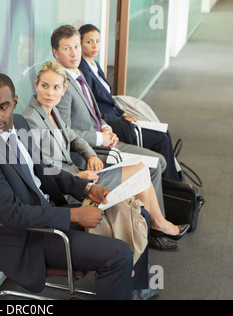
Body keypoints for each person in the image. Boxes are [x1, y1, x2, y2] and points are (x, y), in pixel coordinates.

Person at [0, 73, 139, 300]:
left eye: (3, 107)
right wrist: (74, 215)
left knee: (134, 212)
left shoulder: (20, 123)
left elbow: (44, 168)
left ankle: (134, 289)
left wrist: (84, 189)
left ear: (15, 103)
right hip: (30, 236)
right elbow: (12, 215)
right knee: (118, 254)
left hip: (49, 211)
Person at [22, 61, 188, 254]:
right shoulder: (32, 121)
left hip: (80, 176)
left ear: (63, 89)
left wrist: (91, 155)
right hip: (71, 188)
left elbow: (74, 137)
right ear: (36, 85)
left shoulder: (52, 111)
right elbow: (44, 168)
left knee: (142, 172)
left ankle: (155, 227)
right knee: (140, 172)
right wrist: (79, 177)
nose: (50, 92)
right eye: (45, 86)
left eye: (56, 87)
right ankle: (157, 228)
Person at [50, 25, 186, 250]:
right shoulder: (60, 84)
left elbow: (96, 112)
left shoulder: (79, 73)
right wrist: (98, 137)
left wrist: (106, 128)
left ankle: (153, 221)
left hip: (103, 141)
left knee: (158, 160)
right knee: (152, 167)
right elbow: (66, 132)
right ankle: (153, 229)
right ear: (56, 53)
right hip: (90, 154)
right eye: (67, 48)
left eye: (75, 46)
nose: (74, 53)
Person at [78, 24, 180, 181]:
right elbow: (93, 107)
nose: (95, 46)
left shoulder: (94, 65)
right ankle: (175, 186)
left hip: (116, 116)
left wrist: (123, 113)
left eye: (98, 41)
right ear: (80, 43)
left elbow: (109, 99)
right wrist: (116, 119)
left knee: (165, 133)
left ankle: (176, 186)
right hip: (110, 123)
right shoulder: (82, 69)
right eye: (89, 42)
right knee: (161, 140)